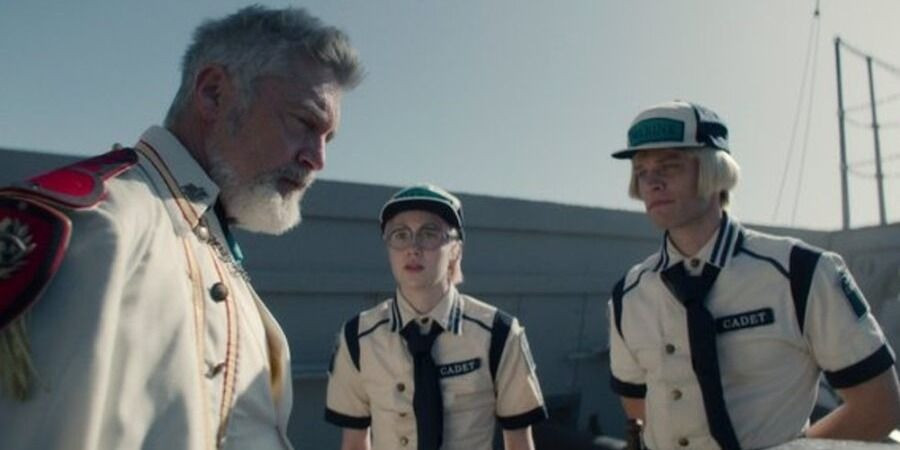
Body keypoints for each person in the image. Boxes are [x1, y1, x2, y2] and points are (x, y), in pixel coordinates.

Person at [0, 6, 362, 449]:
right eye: (305, 123)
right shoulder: (98, 223)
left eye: (328, 138)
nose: (317, 159)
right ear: (213, 93)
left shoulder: (205, 236)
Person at [607, 100, 900, 449]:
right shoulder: (629, 295)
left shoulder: (801, 273)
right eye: (641, 171)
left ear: (715, 171)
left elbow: (879, 406)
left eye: (670, 166)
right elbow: (639, 405)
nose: (652, 182)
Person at [324, 184, 548, 450]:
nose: (413, 248)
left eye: (429, 234)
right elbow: (354, 443)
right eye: (400, 235)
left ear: (455, 250)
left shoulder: (499, 334)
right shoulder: (358, 338)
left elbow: (519, 442)